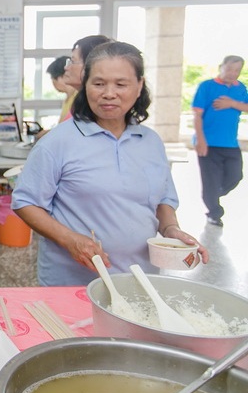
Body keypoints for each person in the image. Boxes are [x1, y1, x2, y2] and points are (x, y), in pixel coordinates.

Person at [12, 41, 208, 286]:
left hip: (140, 278)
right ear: (86, 86)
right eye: (99, 83)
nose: (109, 93)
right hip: (73, 282)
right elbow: (26, 202)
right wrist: (70, 240)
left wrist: (171, 230)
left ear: (139, 86)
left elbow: (162, 200)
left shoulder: (150, 142)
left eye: (121, 84)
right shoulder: (58, 141)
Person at [192, 55, 248, 227]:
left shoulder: (241, 89)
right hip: (208, 143)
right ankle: (214, 213)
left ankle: (212, 194)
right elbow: (197, 114)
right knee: (211, 181)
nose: (233, 73)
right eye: (229, 68)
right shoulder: (207, 86)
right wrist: (200, 140)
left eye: (237, 70)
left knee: (235, 176)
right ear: (221, 67)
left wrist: (232, 103)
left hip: (230, 143)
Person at [47, 55, 76, 122]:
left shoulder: (78, 99)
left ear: (62, 77)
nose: (53, 83)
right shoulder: (67, 99)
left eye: (53, 79)